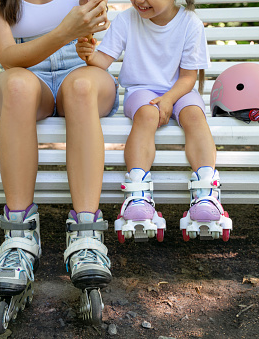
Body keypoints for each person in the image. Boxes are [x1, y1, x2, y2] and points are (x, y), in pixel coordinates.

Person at [0, 0, 118, 318]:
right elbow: (9, 57)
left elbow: (102, 26)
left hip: (80, 70)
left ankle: (87, 237)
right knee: (18, 87)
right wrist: (65, 30)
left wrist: (89, 32)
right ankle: (19, 240)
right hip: (23, 74)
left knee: (80, 87)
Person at [76, 0, 232, 242]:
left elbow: (188, 77)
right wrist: (89, 55)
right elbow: (102, 62)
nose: (140, 1)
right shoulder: (127, 20)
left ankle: (206, 191)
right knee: (147, 114)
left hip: (180, 89)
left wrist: (169, 99)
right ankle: (137, 192)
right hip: (141, 90)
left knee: (194, 115)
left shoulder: (190, 23)